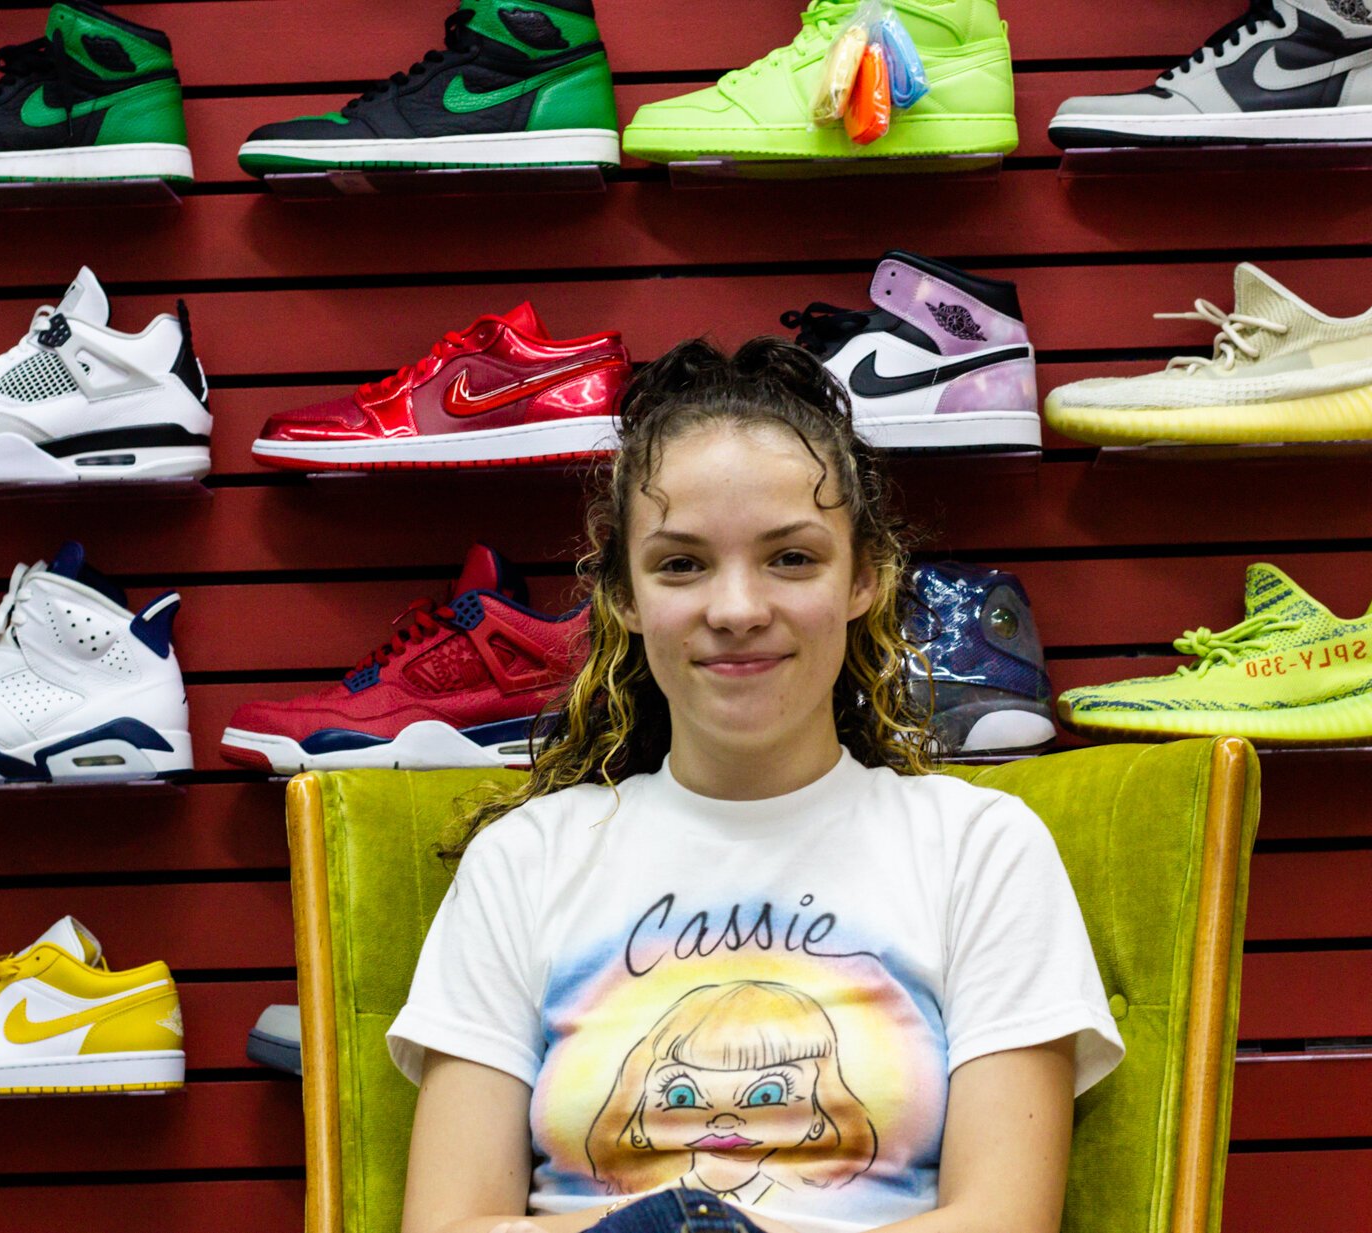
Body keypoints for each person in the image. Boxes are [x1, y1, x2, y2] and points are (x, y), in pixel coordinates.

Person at [387, 339, 1124, 1233]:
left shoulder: (979, 848)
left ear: (866, 577)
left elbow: (1004, 1223)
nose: (736, 609)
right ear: (622, 594)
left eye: (791, 558)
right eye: (682, 564)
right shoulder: (525, 861)